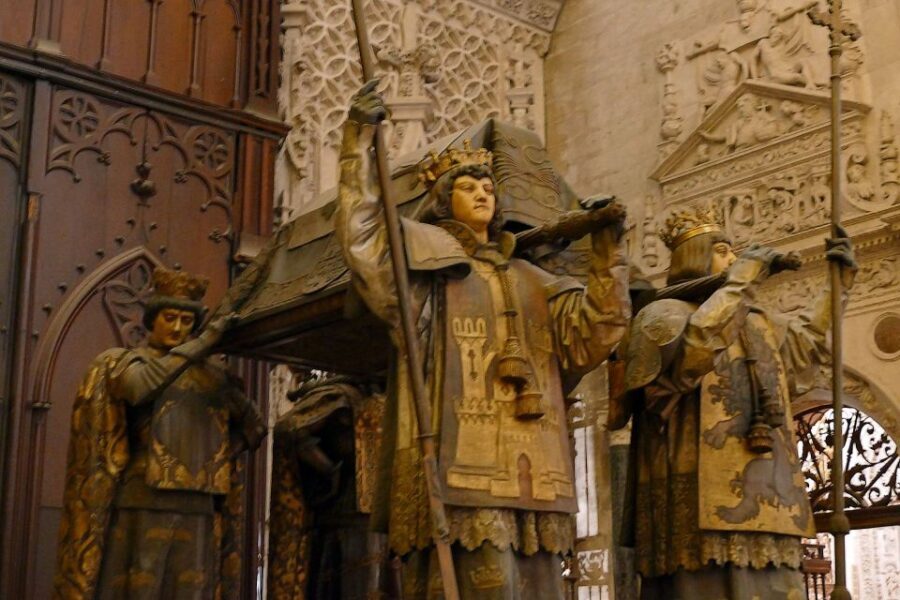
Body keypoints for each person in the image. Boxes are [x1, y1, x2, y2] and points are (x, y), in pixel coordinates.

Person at [334, 81, 631, 598]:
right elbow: (364, 237)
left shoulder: (535, 280)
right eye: (468, 187)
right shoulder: (430, 269)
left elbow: (596, 334)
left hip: (537, 475)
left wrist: (608, 254)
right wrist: (358, 141)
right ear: (443, 200)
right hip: (460, 469)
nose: (482, 194)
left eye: (489, 188)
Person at [619, 206, 856, 599]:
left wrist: (838, 284)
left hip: (773, 505)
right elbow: (692, 356)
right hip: (695, 508)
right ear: (695, 257)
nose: (734, 260)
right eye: (724, 251)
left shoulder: (755, 320)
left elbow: (807, 348)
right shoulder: (662, 315)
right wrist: (741, 283)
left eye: (734, 254)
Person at [54, 267, 265, 600]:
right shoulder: (126, 362)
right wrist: (203, 343)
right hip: (142, 499)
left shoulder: (214, 376)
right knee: (138, 590)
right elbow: (139, 388)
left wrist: (220, 455)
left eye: (186, 321)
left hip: (198, 504)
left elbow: (255, 426)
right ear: (152, 320)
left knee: (191, 592)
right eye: (170, 317)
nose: (178, 328)